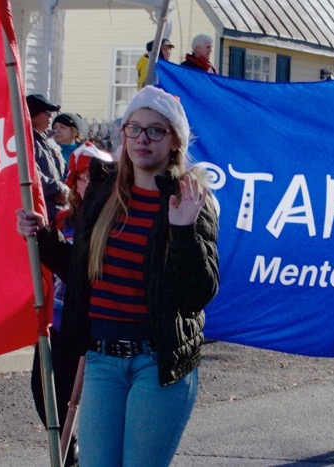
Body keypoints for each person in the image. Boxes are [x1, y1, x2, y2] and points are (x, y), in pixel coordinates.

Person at [16, 85, 218, 466]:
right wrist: (41, 235)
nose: (143, 139)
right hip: (101, 361)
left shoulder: (190, 198)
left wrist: (185, 231)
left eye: (156, 130)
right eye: (134, 128)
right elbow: (81, 270)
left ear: (174, 140)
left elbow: (198, 293)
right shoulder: (105, 192)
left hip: (157, 364)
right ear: (123, 133)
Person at [28, 142, 113, 467]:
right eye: (82, 178)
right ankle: (70, 449)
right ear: (74, 182)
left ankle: (76, 453)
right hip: (55, 324)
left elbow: (82, 272)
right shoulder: (64, 219)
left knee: (84, 404)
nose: (88, 184)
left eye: (96, 178)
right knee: (45, 395)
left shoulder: (110, 221)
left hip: (87, 328)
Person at [26, 94, 70, 225]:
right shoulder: (26, 142)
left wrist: (67, 187)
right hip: (42, 215)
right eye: (46, 112)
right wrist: (59, 188)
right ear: (33, 116)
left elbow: (64, 171)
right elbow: (30, 175)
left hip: (60, 212)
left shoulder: (50, 141)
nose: (51, 116)